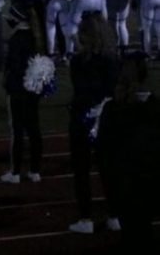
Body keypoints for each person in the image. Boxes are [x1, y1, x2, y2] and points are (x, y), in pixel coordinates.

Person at [96, 53, 160, 249]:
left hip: (123, 186)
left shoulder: (112, 109)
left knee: (131, 236)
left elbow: (103, 155)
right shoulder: (154, 108)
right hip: (150, 185)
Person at [67, 13, 119, 234]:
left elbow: (80, 90)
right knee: (110, 170)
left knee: (82, 171)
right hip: (106, 119)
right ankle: (115, 216)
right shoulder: (113, 60)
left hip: (82, 119)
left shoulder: (78, 62)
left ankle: (86, 218)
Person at [0, 6, 45, 184]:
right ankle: (35, 171)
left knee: (17, 131)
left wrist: (8, 82)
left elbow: (13, 66)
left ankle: (15, 172)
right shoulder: (36, 37)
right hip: (33, 90)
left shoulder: (17, 39)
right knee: (34, 129)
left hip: (18, 90)